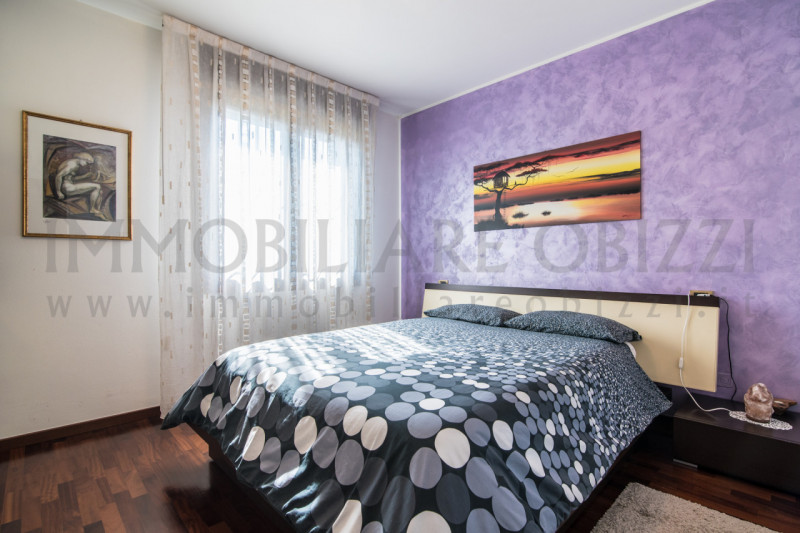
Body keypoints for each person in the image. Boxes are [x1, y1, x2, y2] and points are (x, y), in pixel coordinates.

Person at [53, 152, 106, 220]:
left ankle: (97, 210)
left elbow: (71, 179)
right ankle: (93, 209)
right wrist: (58, 192)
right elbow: (59, 176)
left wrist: (85, 176)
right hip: (67, 188)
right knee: (97, 186)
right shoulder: (72, 165)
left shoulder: (73, 163)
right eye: (87, 162)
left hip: (69, 185)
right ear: (82, 159)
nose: (86, 165)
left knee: (99, 190)